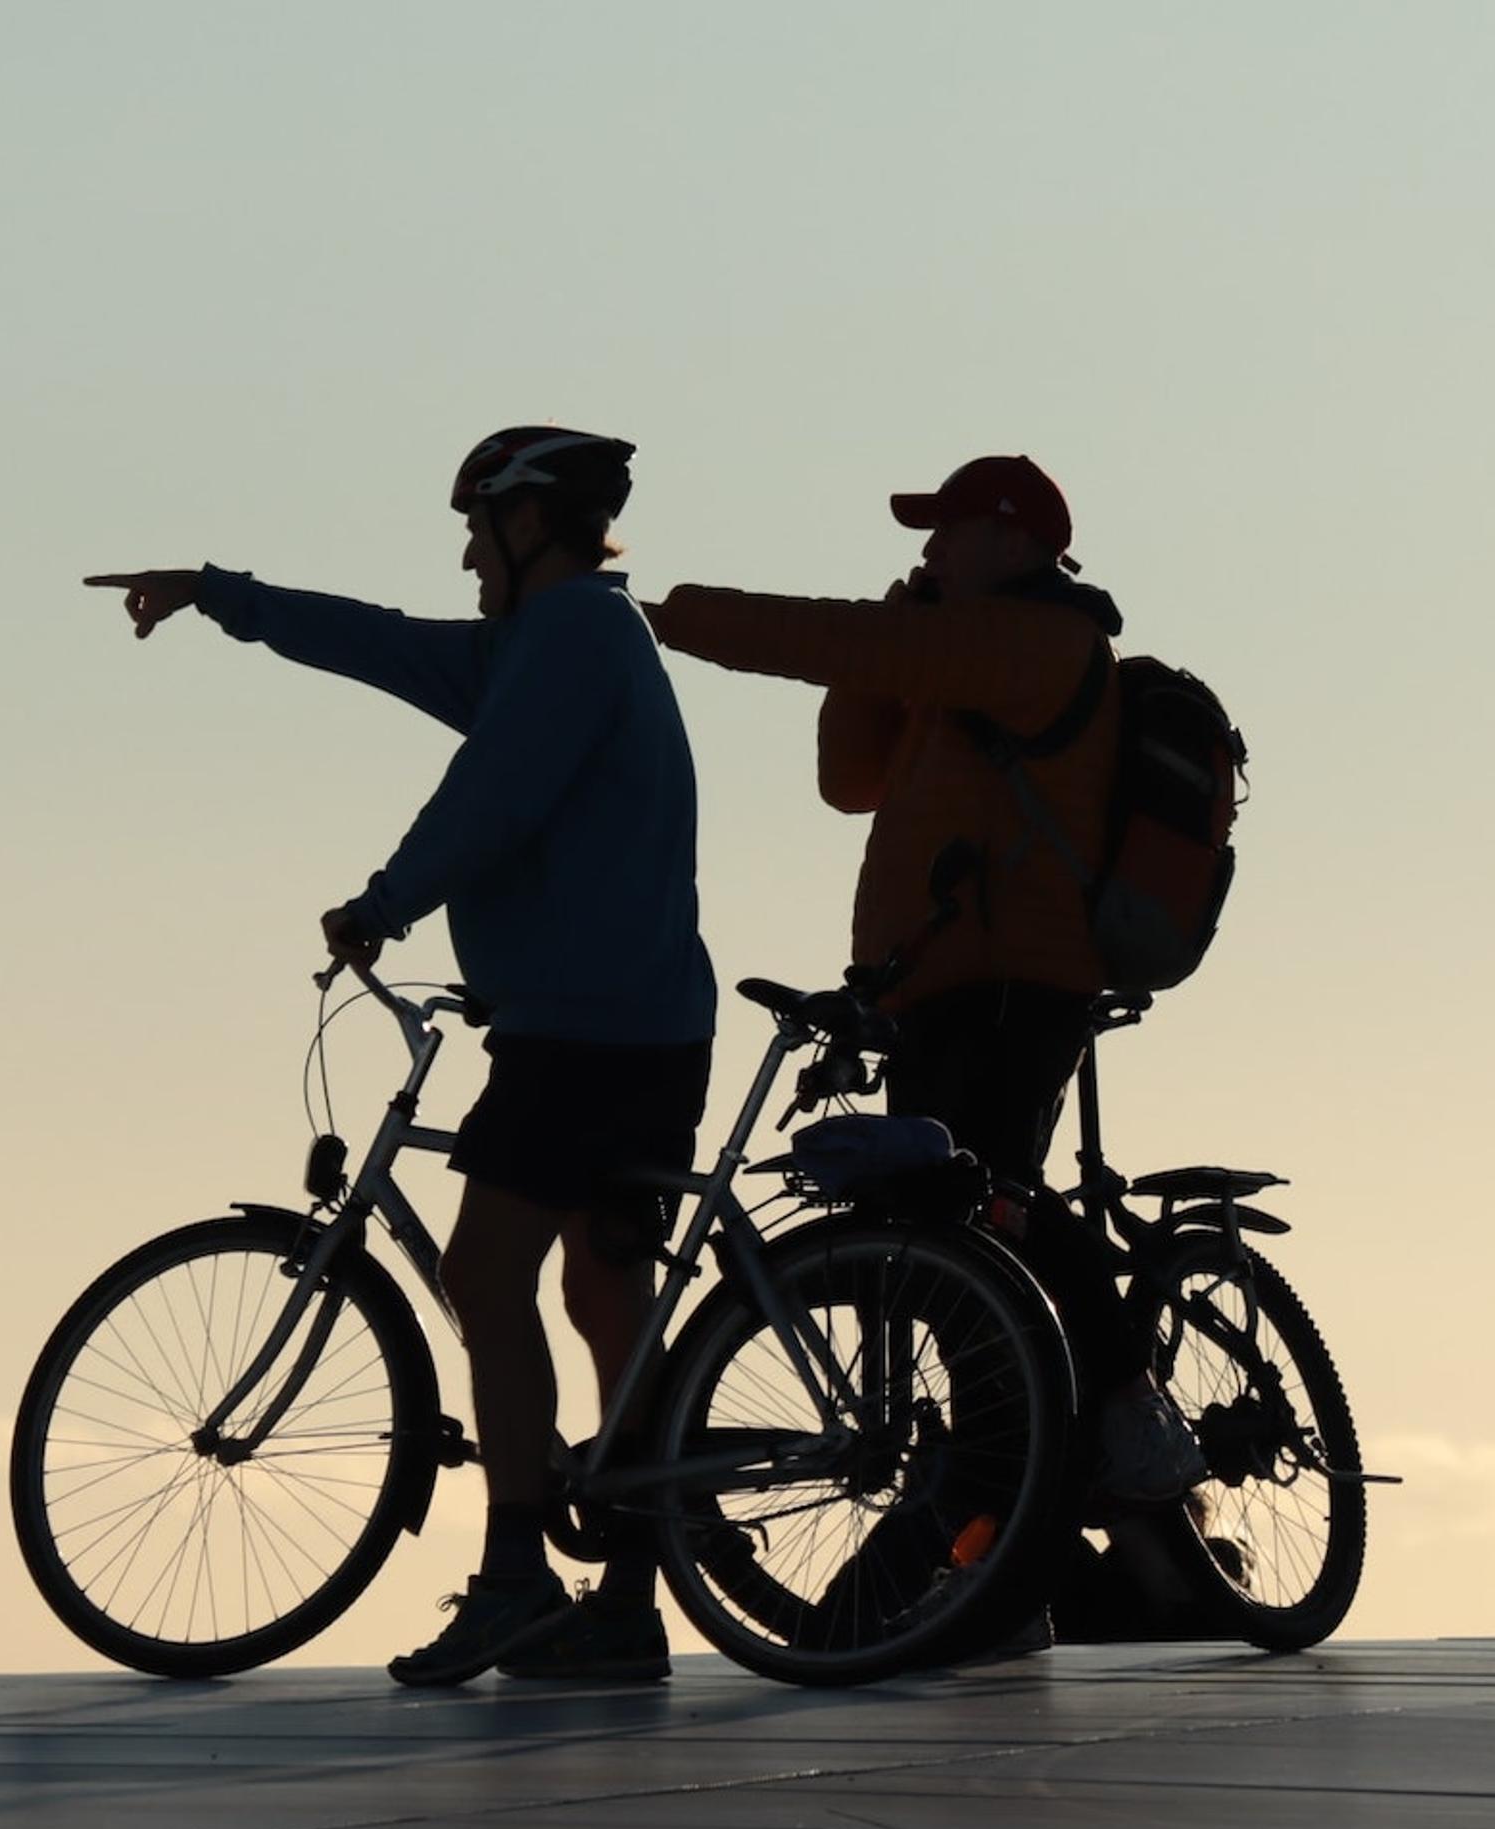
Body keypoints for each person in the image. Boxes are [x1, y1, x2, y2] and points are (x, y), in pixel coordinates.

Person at [83, 427, 709, 1686]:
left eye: (478, 531)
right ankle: (625, 1603)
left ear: (530, 526)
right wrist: (224, 598)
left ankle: (519, 1578)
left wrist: (384, 903)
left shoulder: (574, 639)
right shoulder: (547, 644)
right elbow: (378, 641)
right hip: (628, 1020)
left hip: (586, 1029)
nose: (469, 556)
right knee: (601, 1297)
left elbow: (499, 793)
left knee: (488, 1278)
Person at [650, 454, 1203, 1502]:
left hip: (1012, 985)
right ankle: (1000, 1503)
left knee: (987, 1217)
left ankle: (1122, 1407)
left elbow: (836, 638)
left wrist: (672, 616)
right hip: (926, 993)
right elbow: (847, 779)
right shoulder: (951, 659)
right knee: (947, 1252)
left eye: (945, 531)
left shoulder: (1039, 642)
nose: (928, 550)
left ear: (1010, 539)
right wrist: (889, 651)